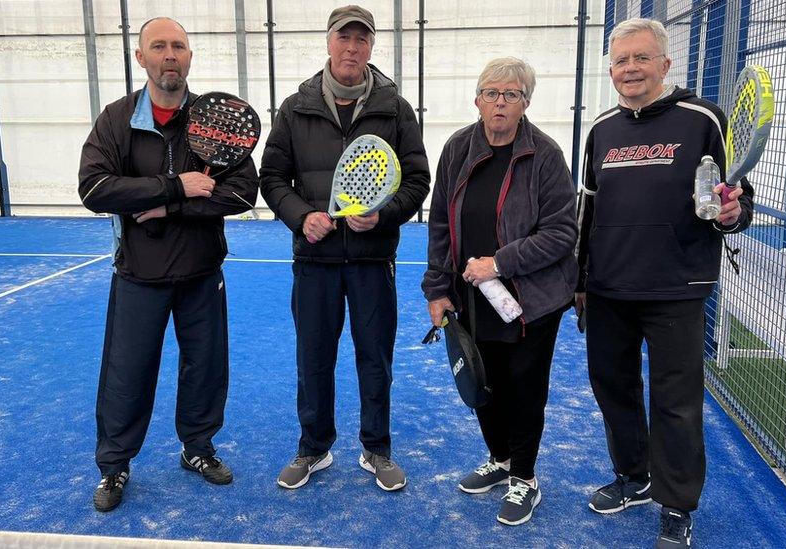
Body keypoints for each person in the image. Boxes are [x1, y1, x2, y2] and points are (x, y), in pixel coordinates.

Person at [576, 17, 755, 548]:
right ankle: (634, 476)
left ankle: (676, 505)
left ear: (665, 64)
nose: (630, 69)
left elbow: (736, 202)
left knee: (676, 402)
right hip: (607, 287)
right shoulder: (601, 130)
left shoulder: (703, 119)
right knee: (613, 389)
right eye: (620, 61)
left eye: (640, 58)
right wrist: (580, 279)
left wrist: (730, 216)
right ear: (611, 70)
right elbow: (588, 209)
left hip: (677, 288)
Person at [78, 17, 259, 512]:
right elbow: (94, 189)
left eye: (178, 45)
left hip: (202, 274)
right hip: (138, 274)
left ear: (190, 56)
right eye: (158, 46)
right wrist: (175, 186)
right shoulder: (117, 119)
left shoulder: (217, 120)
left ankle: (197, 450)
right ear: (141, 58)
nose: (170, 54)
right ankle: (114, 466)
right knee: (126, 374)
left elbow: (242, 192)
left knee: (206, 369)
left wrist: (170, 207)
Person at [259, 5, 430, 492]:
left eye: (362, 40)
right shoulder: (295, 108)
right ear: (328, 42)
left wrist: (385, 214)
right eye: (344, 38)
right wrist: (300, 216)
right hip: (314, 261)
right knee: (313, 357)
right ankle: (314, 447)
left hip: (374, 261)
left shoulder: (396, 109)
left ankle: (377, 448)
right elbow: (273, 178)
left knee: (374, 358)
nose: (352, 48)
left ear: (371, 47)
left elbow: (417, 180)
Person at [422, 57, 578, 526]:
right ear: (477, 99)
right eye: (492, 93)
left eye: (511, 94)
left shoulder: (545, 154)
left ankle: (524, 477)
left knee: (525, 390)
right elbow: (439, 226)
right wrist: (437, 288)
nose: (500, 103)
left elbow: (561, 233)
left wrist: (501, 263)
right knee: (481, 383)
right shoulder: (457, 148)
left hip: (533, 300)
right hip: (471, 296)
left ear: (526, 102)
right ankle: (501, 459)